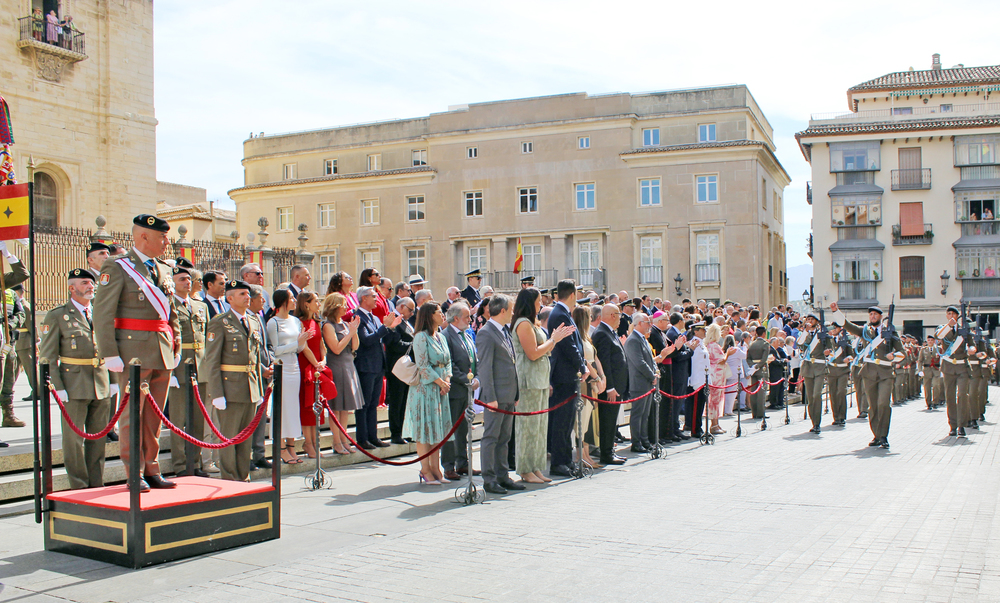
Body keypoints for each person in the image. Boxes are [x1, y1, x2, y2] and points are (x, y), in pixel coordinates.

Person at [93, 215, 180, 492]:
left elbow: (171, 311)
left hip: (162, 350)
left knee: (154, 416)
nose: (167, 242)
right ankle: (134, 472)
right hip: (132, 353)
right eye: (162, 237)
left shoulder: (164, 269)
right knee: (133, 414)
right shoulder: (118, 267)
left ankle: (152, 468)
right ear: (144, 237)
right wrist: (110, 353)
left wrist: (175, 342)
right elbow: (103, 312)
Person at [38, 269, 112, 489]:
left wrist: (114, 380)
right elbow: (47, 356)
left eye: (92, 282)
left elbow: (110, 348)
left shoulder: (100, 312)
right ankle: (79, 484)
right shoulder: (58, 315)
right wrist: (57, 386)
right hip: (73, 385)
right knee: (74, 440)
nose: (91, 286)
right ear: (72, 288)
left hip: (101, 382)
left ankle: (96, 483)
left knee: (98, 439)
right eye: (85, 283)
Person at [204, 280, 273, 482]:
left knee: (246, 438)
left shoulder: (253, 321)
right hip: (230, 388)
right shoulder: (220, 322)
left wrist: (259, 388)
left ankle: (243, 476)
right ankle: (230, 478)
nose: (247, 297)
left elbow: (255, 358)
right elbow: (212, 360)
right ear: (230, 298)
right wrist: (217, 394)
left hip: (250, 387)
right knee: (229, 437)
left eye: (247, 294)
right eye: (242, 294)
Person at [511, 288, 573, 483]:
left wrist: (554, 339)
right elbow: (533, 353)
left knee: (539, 428)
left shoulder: (534, 323)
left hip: (539, 381)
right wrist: (554, 339)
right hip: (528, 382)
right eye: (538, 301)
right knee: (527, 428)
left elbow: (544, 350)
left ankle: (536, 467)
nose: (541, 304)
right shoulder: (522, 324)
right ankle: (525, 469)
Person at [832, 302, 904, 448]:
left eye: (875, 314)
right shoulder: (865, 331)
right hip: (869, 372)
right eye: (871, 314)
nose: (872, 316)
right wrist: (836, 312)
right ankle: (876, 435)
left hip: (885, 372)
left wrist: (893, 356)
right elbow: (847, 325)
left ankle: (884, 436)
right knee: (873, 406)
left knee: (883, 403)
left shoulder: (890, 331)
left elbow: (903, 353)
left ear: (881, 317)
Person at [476, 294, 523, 495]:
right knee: (491, 437)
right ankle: (489, 478)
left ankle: (503, 475)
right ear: (502, 311)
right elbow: (485, 368)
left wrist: (516, 393)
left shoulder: (505, 331)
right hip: (495, 396)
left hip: (508, 394)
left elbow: (511, 364)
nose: (513, 313)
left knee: (504, 438)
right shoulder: (486, 333)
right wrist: (491, 397)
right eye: (511, 310)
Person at [166, 263, 210, 477]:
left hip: (200, 367)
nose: (187, 282)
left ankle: (195, 462)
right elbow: (166, 341)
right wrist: (171, 372)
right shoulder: (167, 305)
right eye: (181, 279)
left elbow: (208, 338)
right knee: (178, 420)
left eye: (188, 279)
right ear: (172, 283)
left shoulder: (200, 306)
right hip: (179, 367)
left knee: (198, 420)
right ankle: (180, 465)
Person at [403, 302, 452, 485]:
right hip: (425, 389)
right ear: (430, 315)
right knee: (425, 430)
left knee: (437, 429)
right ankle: (425, 469)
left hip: (440, 388)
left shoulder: (440, 336)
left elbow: (447, 361)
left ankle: (435, 467)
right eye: (439, 312)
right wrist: (440, 381)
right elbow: (423, 366)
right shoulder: (421, 337)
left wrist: (447, 379)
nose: (443, 315)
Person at [544, 280, 586, 477]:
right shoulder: (559, 314)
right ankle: (559, 462)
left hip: (568, 376)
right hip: (563, 376)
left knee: (568, 421)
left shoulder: (562, 313)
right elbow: (569, 346)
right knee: (562, 421)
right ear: (572, 294)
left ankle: (566, 460)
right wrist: (582, 366)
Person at [354, 286, 403, 449]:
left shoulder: (374, 318)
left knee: (373, 403)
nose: (376, 299)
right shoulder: (357, 317)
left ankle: (372, 436)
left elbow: (382, 338)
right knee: (364, 403)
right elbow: (366, 340)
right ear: (363, 299)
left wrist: (391, 327)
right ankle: (362, 438)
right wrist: (385, 328)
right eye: (373, 297)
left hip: (377, 365)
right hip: (366, 366)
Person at [267, 288, 309, 464]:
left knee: (293, 407)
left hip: (294, 366)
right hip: (281, 368)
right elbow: (274, 351)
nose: (294, 301)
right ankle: (281, 447)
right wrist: (296, 343)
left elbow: (299, 348)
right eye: (291, 298)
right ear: (282, 301)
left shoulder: (295, 321)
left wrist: (302, 341)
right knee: (282, 408)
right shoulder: (273, 323)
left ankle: (292, 446)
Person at [294, 291, 337, 458]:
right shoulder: (300, 322)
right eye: (315, 301)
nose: (319, 304)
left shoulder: (316, 321)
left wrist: (323, 360)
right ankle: (308, 443)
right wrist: (315, 363)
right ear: (306, 304)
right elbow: (303, 346)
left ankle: (314, 442)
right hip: (306, 366)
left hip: (317, 366)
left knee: (316, 406)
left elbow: (321, 345)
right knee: (307, 406)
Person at [321, 293, 363, 455]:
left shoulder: (345, 324)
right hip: (336, 366)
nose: (346, 307)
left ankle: (344, 439)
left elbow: (355, 347)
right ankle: (336, 441)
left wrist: (354, 332)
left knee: (345, 408)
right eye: (343, 304)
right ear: (335, 306)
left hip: (348, 365)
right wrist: (350, 333)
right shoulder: (328, 326)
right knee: (336, 407)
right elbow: (336, 348)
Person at [442, 301, 478, 481]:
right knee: (451, 429)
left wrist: (476, 377)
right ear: (456, 318)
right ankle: (448, 466)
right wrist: (466, 380)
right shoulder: (446, 335)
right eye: (466, 317)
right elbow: (450, 364)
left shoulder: (466, 335)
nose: (470, 320)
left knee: (463, 428)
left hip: (467, 391)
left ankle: (462, 462)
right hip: (455, 390)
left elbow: (472, 359)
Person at [592, 304, 628, 466]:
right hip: (609, 389)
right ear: (613, 315)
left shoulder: (609, 332)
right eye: (619, 315)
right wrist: (610, 387)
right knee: (607, 421)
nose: (621, 319)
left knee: (611, 421)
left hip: (616, 387)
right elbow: (605, 364)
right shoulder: (602, 334)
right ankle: (606, 454)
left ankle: (609, 451)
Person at [933, 305, 975, 437]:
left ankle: (962, 425)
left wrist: (972, 349)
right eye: (948, 314)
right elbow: (938, 336)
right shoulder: (943, 328)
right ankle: (953, 425)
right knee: (950, 397)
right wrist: (949, 326)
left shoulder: (964, 330)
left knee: (962, 395)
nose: (951, 316)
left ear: (957, 316)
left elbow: (972, 343)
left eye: (953, 314)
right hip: (949, 367)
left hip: (962, 367)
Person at [573, 305, 605, 468]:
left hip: (592, 380)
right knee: (582, 419)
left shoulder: (586, 337)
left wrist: (602, 376)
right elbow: (585, 360)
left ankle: (586, 455)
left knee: (587, 420)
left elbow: (595, 357)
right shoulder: (578, 337)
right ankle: (581, 455)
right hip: (586, 380)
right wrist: (597, 377)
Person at [625, 312, 659, 451]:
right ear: (639, 323)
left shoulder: (643, 339)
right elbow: (639, 362)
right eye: (647, 322)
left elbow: (650, 359)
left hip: (647, 382)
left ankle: (644, 440)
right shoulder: (633, 340)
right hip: (639, 383)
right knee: (638, 414)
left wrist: (655, 371)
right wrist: (652, 376)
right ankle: (636, 442)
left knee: (645, 414)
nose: (650, 325)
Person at [384, 297, 415, 445]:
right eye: (410, 310)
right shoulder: (394, 319)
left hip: (407, 367)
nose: (412, 313)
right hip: (397, 367)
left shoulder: (406, 321)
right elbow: (394, 343)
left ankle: (404, 431)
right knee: (396, 400)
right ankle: (395, 433)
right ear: (401, 307)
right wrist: (413, 344)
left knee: (404, 401)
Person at [664, 312, 691, 440]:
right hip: (676, 373)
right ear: (680, 321)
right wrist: (690, 350)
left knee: (678, 402)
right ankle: (673, 429)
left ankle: (675, 428)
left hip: (681, 373)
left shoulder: (676, 333)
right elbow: (676, 356)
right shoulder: (672, 334)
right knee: (675, 403)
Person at [704, 324, 733, 435]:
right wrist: (728, 354)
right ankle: (714, 425)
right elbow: (721, 360)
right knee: (716, 400)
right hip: (717, 374)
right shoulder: (714, 346)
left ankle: (716, 423)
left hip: (714, 374)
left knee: (714, 400)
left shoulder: (708, 345)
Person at [746, 326, 770, 419]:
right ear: (763, 333)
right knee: (761, 392)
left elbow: (748, 358)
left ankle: (754, 412)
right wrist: (757, 366)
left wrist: (752, 366)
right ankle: (760, 413)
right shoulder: (765, 344)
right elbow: (764, 359)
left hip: (753, 370)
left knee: (754, 391)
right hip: (762, 369)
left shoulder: (752, 344)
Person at [723, 333, 744, 416]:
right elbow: (745, 356)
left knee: (727, 391)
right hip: (735, 372)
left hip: (727, 371)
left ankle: (726, 409)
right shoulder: (736, 349)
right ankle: (728, 410)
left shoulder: (724, 349)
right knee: (731, 392)